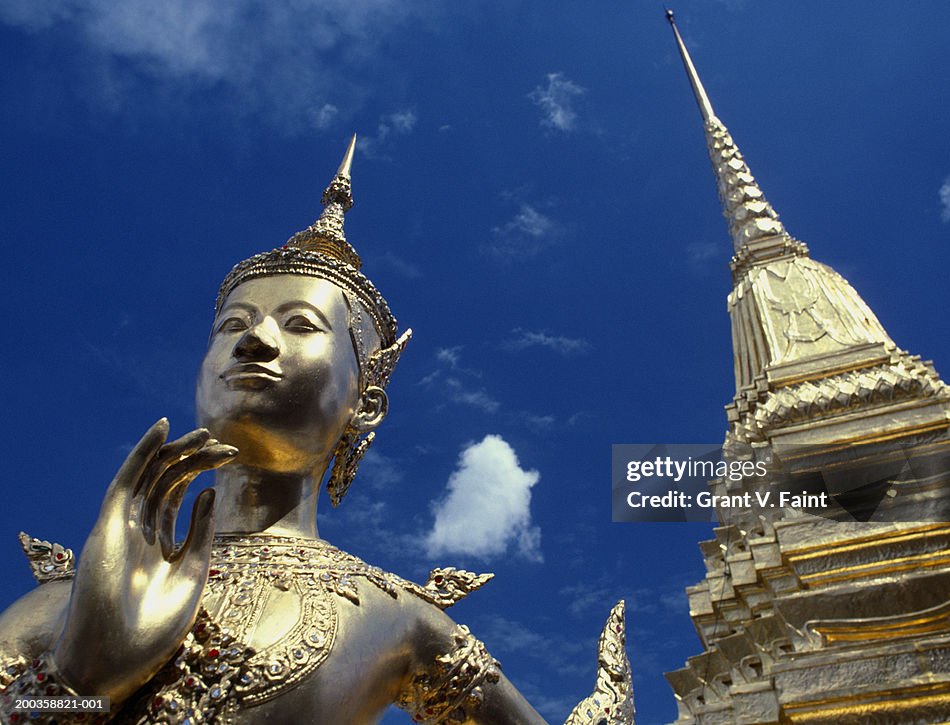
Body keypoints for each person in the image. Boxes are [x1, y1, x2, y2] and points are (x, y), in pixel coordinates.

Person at [0, 137, 632, 724]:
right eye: (231, 325)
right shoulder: (69, 601)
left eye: (300, 324)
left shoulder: (397, 620)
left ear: (367, 403)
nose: (254, 339)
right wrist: (80, 680)